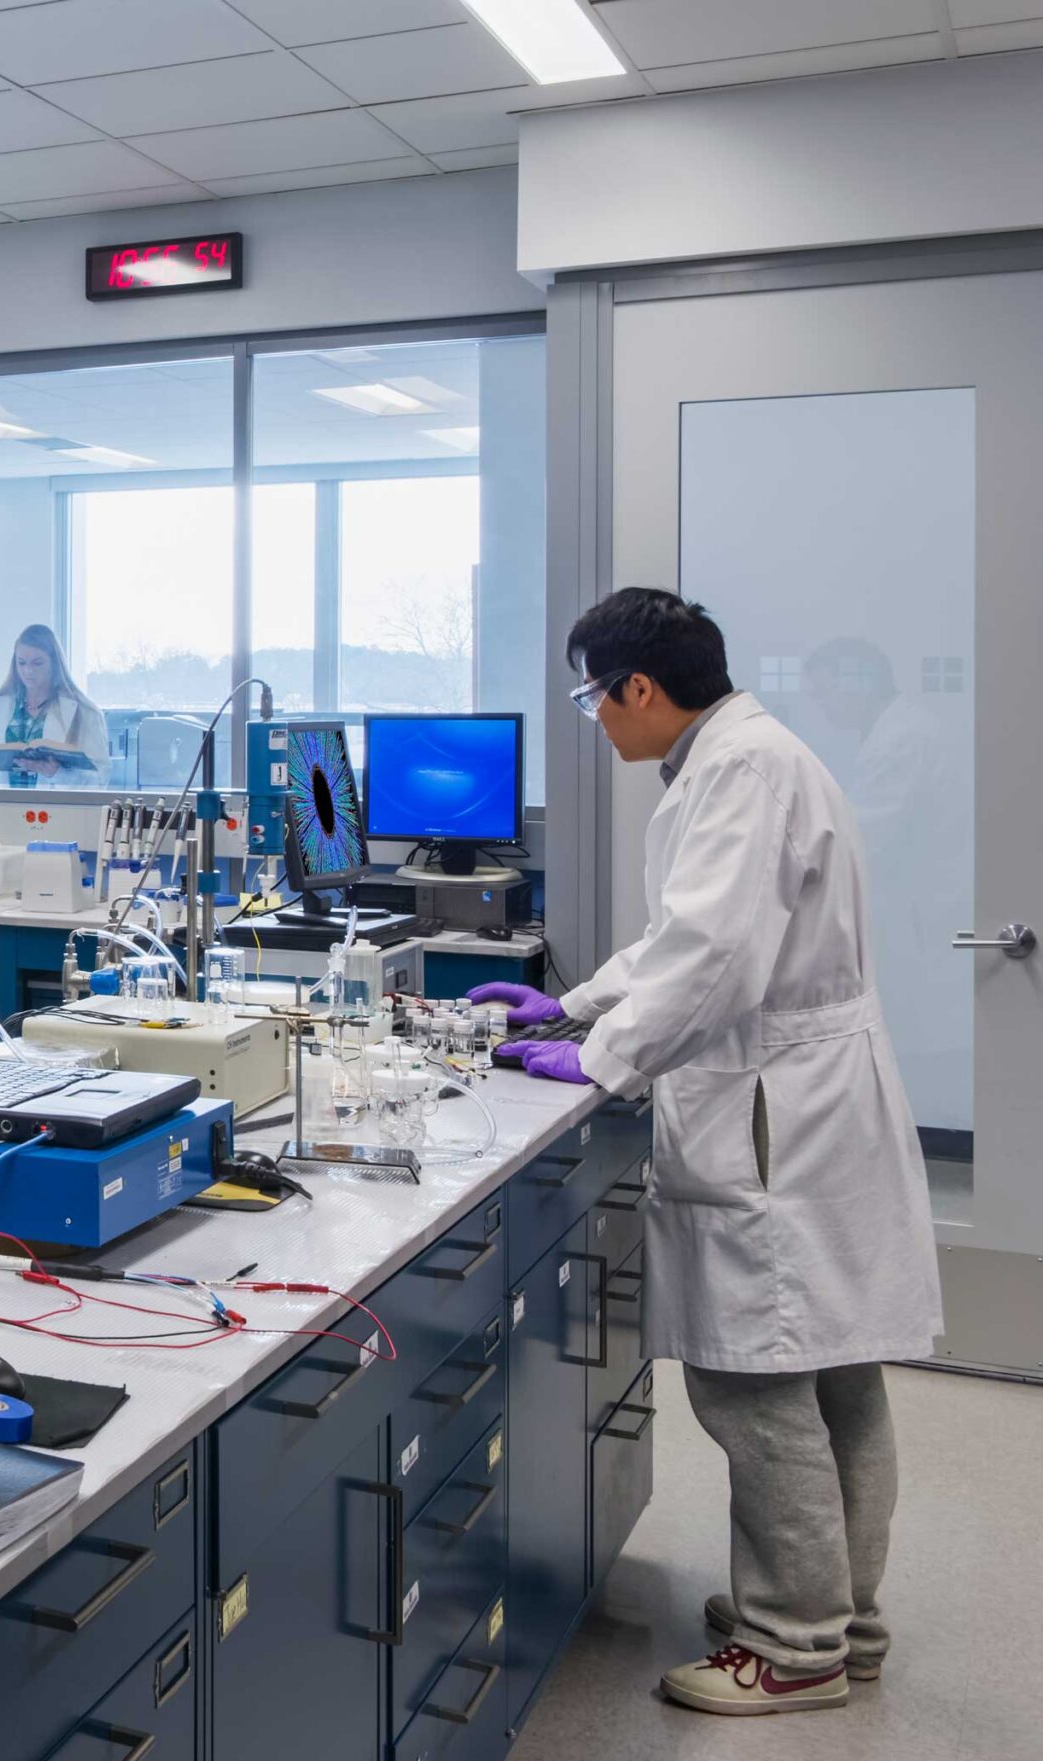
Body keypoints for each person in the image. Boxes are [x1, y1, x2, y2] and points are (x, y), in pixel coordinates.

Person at [472, 588, 942, 1718]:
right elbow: (681, 939)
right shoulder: (745, 758)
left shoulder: (741, 772)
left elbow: (712, 961)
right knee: (837, 1376)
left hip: (773, 1113)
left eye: (592, 696)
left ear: (639, 687)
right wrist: (573, 1004)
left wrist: (599, 1059)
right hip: (806, 1104)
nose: (594, 718)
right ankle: (840, 1620)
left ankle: (793, 1644)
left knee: (756, 1385)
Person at [0, 623, 107, 788]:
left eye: (37, 663)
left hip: (54, 804)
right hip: (4, 802)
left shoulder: (84, 712)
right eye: (22, 663)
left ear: (54, 664)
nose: (28, 671)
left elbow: (101, 779)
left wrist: (58, 774)